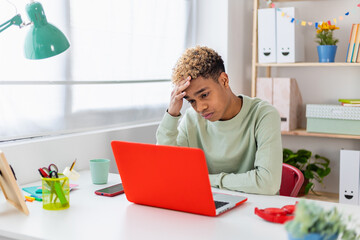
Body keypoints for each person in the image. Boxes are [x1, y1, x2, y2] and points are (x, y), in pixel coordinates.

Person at [156, 46, 282, 195]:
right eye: (191, 101)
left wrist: (205, 180)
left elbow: (267, 183)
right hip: (207, 205)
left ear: (224, 80)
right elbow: (168, 170)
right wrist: (172, 113)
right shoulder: (191, 119)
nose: (200, 108)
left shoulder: (263, 114)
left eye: (204, 95)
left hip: (254, 207)